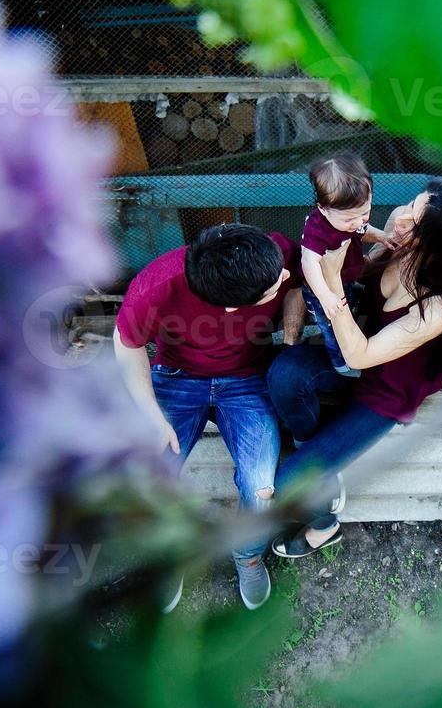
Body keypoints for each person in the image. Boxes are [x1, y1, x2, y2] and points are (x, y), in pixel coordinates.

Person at [266, 177, 442, 557]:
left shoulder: (439, 308)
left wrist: (329, 285)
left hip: (385, 387)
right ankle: (319, 456)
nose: (402, 218)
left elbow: (361, 354)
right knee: (284, 373)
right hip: (352, 351)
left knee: (289, 483)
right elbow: (357, 273)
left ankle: (324, 527)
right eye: (414, 203)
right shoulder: (400, 228)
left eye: (417, 220)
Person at [113, 223, 306, 608]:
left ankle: (247, 553)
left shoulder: (269, 250)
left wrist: (289, 341)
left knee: (260, 487)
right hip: (177, 378)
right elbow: (126, 342)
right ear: (233, 306)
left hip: (248, 379)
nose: (282, 276)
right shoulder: (155, 287)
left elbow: (297, 280)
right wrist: (152, 415)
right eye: (273, 284)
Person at [300, 152, 392, 376]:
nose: (358, 222)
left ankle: (351, 313)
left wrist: (381, 236)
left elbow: (363, 230)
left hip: (346, 278)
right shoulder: (318, 229)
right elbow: (309, 263)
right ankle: (341, 363)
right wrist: (324, 295)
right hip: (322, 290)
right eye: (349, 219)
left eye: (365, 212)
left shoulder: (355, 218)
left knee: (348, 311)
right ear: (323, 208)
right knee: (331, 327)